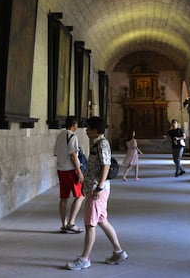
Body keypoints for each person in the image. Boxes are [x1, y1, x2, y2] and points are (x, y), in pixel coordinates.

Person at [66, 116, 128, 270]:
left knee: (89, 225)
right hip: (96, 188)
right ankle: (118, 252)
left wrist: (99, 188)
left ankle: (84, 259)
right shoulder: (97, 143)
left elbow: (106, 165)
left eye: (87, 128)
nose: (86, 130)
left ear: (94, 130)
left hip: (97, 190)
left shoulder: (101, 144)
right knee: (101, 220)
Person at [54, 116, 85, 234]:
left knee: (64, 198)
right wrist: (80, 172)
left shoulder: (60, 136)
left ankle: (63, 225)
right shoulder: (72, 136)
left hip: (61, 170)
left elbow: (56, 153)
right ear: (74, 125)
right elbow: (73, 155)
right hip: (71, 170)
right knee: (80, 195)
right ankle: (71, 223)